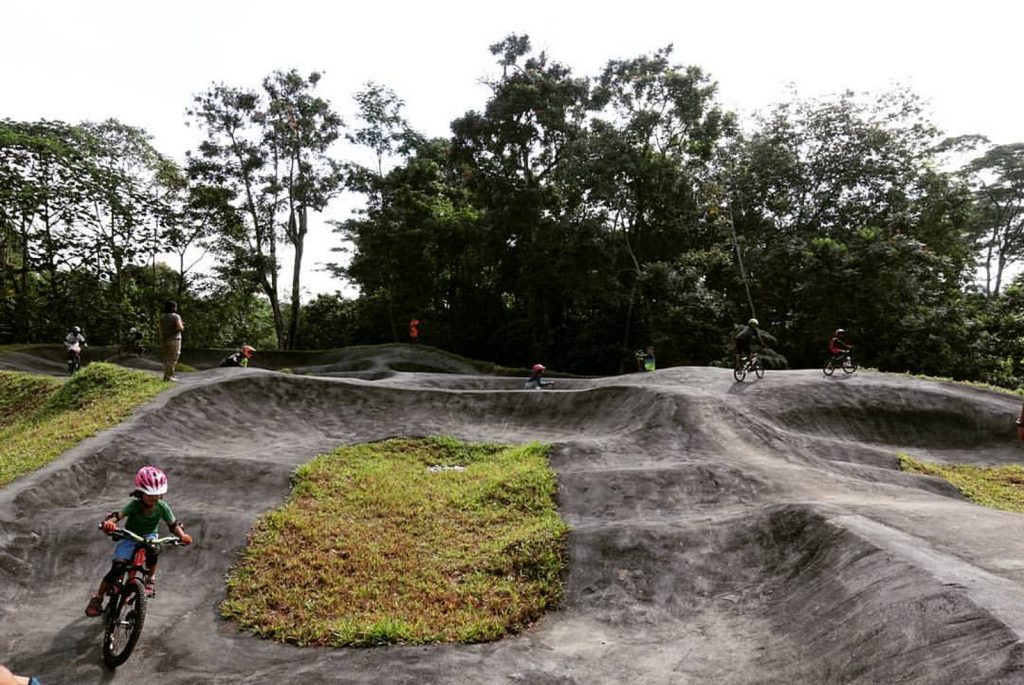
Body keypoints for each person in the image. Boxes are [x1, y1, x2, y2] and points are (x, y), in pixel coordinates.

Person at [84, 466, 192, 617]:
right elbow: (118, 516)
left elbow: (173, 524)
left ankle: (150, 579)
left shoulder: (162, 507)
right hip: (130, 536)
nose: (153, 498)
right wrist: (110, 523)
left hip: (149, 536)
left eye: (156, 494)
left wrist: (182, 536)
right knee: (118, 566)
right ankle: (98, 598)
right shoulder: (135, 505)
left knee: (153, 550)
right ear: (140, 492)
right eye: (149, 494)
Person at [159, 301, 184, 382]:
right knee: (173, 359)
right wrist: (182, 326)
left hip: (165, 339)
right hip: (175, 339)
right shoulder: (176, 316)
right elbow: (180, 328)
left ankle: (168, 375)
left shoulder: (162, 317)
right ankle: (168, 377)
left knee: (166, 358)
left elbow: (160, 328)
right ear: (173, 307)